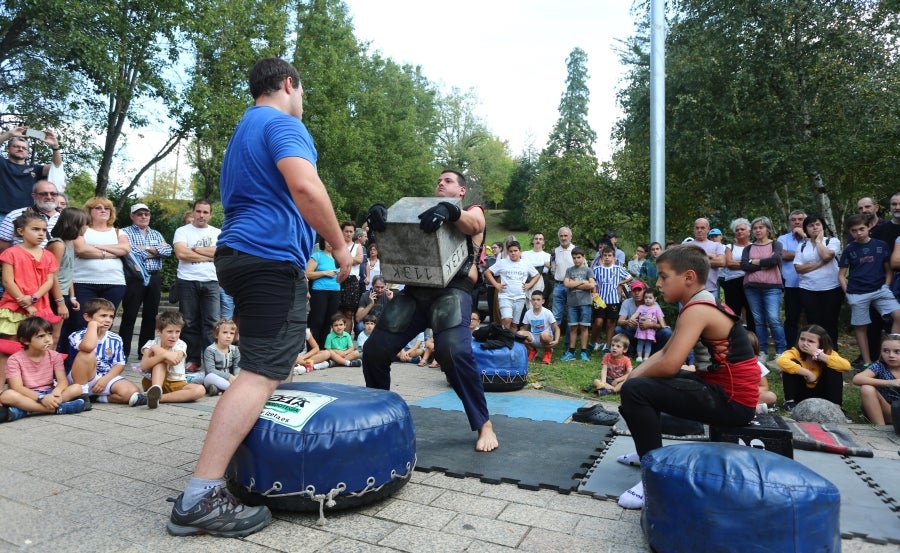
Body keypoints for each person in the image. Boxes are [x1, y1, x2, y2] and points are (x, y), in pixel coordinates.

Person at [167, 58, 351, 538]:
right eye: (303, 92)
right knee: (260, 372)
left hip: (241, 256)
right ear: (290, 84)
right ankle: (200, 496)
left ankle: (264, 463)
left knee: (271, 363)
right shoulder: (281, 123)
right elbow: (306, 186)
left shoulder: (245, 128)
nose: (303, 102)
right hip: (267, 259)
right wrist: (337, 245)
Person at [363, 168, 497, 452]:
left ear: (461, 190)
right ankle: (378, 418)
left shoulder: (472, 210)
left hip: (452, 291)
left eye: (448, 181)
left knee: (453, 352)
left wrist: (450, 211)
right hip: (414, 291)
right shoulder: (420, 210)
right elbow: (395, 234)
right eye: (438, 180)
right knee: (374, 351)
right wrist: (378, 217)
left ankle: (484, 424)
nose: (440, 183)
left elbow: (474, 224)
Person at [617, 245, 759, 510]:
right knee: (635, 386)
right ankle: (645, 451)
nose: (657, 283)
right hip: (717, 388)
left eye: (663, 276)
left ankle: (654, 478)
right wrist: (631, 375)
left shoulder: (698, 308)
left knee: (637, 392)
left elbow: (670, 366)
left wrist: (632, 383)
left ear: (688, 277)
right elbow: (664, 354)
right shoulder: (696, 303)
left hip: (732, 401)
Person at [840, 213, 900, 368]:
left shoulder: (881, 245)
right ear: (850, 232)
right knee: (861, 328)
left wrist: (886, 285)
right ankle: (868, 362)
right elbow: (841, 275)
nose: (858, 233)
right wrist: (848, 293)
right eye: (854, 231)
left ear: (868, 228)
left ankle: (888, 354)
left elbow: (888, 269)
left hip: (880, 289)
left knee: (898, 316)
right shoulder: (849, 249)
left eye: (861, 229)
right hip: (857, 293)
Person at [0, 316, 85, 421]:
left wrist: (57, 392)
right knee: (7, 395)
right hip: (27, 394)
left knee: (77, 388)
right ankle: (57, 409)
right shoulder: (14, 359)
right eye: (41, 336)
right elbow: (17, 387)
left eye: (49, 334)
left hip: (49, 392)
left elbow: (62, 381)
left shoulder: (54, 356)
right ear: (25, 341)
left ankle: (26, 410)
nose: (48, 339)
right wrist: (41, 398)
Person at [67, 298, 146, 408]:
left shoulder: (115, 338)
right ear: (87, 317)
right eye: (103, 316)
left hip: (104, 377)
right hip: (81, 379)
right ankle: (82, 394)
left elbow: (120, 364)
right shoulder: (77, 335)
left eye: (111, 317)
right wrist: (92, 326)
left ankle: (96, 397)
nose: (108, 320)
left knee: (132, 391)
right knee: (87, 353)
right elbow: (88, 347)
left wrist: (105, 380)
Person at [119, 203, 173, 360]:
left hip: (154, 276)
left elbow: (168, 251)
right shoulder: (125, 232)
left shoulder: (156, 233)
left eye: (146, 214)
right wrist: (156, 250)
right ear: (132, 216)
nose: (143, 217)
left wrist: (145, 248)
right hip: (134, 277)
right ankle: (123, 352)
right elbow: (131, 252)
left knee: (151, 315)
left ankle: (144, 351)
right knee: (130, 314)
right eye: (139, 214)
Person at [173, 199, 220, 371]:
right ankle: (192, 359)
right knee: (189, 322)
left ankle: (212, 361)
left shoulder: (218, 232)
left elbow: (219, 253)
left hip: (211, 281)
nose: (201, 215)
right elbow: (180, 253)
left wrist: (192, 250)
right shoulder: (182, 231)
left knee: (212, 322)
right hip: (187, 280)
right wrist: (208, 255)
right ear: (193, 212)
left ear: (210, 214)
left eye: (205, 212)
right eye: (198, 211)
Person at [70, 197, 131, 332]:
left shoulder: (118, 232)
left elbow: (125, 249)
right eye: (98, 208)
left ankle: (102, 352)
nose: (103, 210)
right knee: (81, 322)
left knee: (105, 324)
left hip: (114, 282)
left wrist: (96, 246)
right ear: (89, 211)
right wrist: (112, 252)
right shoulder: (81, 229)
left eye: (107, 208)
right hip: (83, 282)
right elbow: (81, 250)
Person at [0, 212, 63, 341]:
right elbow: (7, 281)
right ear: (21, 231)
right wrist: (25, 303)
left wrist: (34, 298)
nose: (41, 233)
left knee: (36, 347)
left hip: (40, 307)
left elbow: (49, 281)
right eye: (35, 229)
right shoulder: (11, 253)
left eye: (44, 230)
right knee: (10, 346)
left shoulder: (48, 255)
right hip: (15, 306)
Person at [740, 216, 786, 362]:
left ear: (767, 229)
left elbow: (775, 260)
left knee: (774, 319)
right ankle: (762, 352)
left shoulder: (776, 245)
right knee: (758, 321)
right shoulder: (748, 248)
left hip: (772, 287)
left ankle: (781, 352)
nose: (758, 230)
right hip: (751, 288)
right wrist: (764, 264)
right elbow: (744, 266)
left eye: (761, 227)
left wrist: (755, 262)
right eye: (755, 228)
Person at [794, 214, 843, 346]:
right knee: (813, 322)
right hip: (808, 289)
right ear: (806, 229)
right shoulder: (802, 246)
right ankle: (814, 350)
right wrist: (819, 264)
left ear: (823, 227)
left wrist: (818, 242)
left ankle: (832, 352)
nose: (814, 228)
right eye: (811, 225)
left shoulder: (832, 241)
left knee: (830, 321)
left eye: (817, 224)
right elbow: (798, 268)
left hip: (831, 288)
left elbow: (827, 255)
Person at [140, 310, 205, 408]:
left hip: (177, 383)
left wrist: (157, 350)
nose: (174, 336)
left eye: (177, 331)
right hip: (153, 382)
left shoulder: (181, 344)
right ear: (158, 331)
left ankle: (156, 398)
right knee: (160, 362)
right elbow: (144, 366)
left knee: (200, 390)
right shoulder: (151, 344)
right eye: (169, 331)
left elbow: (174, 360)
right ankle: (155, 390)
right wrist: (161, 356)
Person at [776, 324, 850, 408]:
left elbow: (846, 366)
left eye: (810, 341)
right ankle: (790, 402)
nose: (805, 343)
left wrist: (820, 356)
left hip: (823, 394)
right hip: (800, 394)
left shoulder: (828, 353)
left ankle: (836, 406)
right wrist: (807, 373)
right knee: (790, 365)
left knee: (835, 365)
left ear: (821, 343)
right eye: (802, 339)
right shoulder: (795, 352)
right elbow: (781, 361)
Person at [46, 208, 89, 347]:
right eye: (84, 224)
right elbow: (52, 274)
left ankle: (51, 366)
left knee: (56, 336)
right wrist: (60, 302)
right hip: (53, 295)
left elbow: (68, 272)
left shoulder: (70, 243)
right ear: (74, 224)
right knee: (50, 336)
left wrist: (72, 297)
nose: (86, 227)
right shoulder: (58, 244)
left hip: (64, 294)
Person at [0, 130, 63, 219]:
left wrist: (55, 147)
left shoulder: (35, 169)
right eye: (16, 146)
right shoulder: (2, 163)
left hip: (25, 216)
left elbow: (57, 166)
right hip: (2, 214)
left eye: (24, 148)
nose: (20, 149)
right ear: (7, 149)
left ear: (27, 153)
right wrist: (9, 134)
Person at [484, 240, 540, 331]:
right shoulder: (502, 262)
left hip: (520, 297)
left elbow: (537, 275)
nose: (513, 253)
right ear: (508, 252)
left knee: (514, 324)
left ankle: (512, 343)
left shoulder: (526, 263)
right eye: (511, 251)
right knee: (507, 319)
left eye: (515, 251)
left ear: (520, 251)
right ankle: (503, 340)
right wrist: (496, 285)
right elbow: (487, 272)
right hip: (505, 296)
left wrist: (529, 284)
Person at [590, 245, 632, 353]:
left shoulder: (618, 269)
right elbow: (593, 282)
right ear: (602, 257)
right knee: (598, 322)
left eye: (609, 255)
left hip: (613, 300)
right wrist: (594, 293)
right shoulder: (597, 269)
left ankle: (608, 346)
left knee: (610, 323)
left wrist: (620, 283)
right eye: (605, 255)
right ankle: (592, 342)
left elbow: (629, 277)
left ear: (614, 257)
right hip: (600, 300)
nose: (607, 257)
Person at [852, 334, 900, 427]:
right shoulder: (880, 365)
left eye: (897, 351)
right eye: (886, 351)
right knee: (867, 388)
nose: (891, 355)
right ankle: (880, 429)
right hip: (886, 410)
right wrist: (889, 383)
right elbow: (857, 379)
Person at [0, 180, 62, 251]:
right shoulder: (15, 216)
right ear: (34, 196)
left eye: (53, 194)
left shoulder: (66, 218)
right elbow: (2, 248)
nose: (49, 197)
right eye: (44, 194)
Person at [615, 281, 672, 356]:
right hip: (634, 333)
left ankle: (654, 353)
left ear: (644, 291)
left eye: (639, 290)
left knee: (667, 332)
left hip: (651, 335)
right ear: (631, 292)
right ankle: (632, 351)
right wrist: (628, 321)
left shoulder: (654, 304)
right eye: (634, 290)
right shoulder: (627, 302)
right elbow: (619, 321)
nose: (637, 293)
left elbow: (663, 325)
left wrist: (650, 324)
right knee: (618, 329)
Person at [777, 209, 807, 348]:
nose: (797, 222)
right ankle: (791, 348)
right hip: (791, 284)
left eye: (800, 219)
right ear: (789, 223)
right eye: (793, 220)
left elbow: (820, 252)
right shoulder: (783, 239)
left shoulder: (812, 237)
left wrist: (805, 237)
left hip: (811, 285)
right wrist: (806, 254)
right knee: (791, 318)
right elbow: (782, 254)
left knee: (812, 318)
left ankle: (812, 346)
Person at [561, 247, 595, 362]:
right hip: (572, 304)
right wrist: (582, 282)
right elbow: (566, 284)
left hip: (585, 303)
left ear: (583, 257)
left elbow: (591, 285)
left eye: (579, 257)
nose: (576, 260)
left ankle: (584, 352)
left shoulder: (588, 270)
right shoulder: (569, 270)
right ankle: (571, 352)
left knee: (584, 327)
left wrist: (573, 283)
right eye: (574, 258)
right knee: (573, 327)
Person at [306, 238, 341, 347]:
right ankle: (311, 349)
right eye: (327, 241)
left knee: (329, 322)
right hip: (319, 291)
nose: (330, 243)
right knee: (317, 321)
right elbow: (307, 274)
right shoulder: (317, 255)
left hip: (335, 291)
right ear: (323, 242)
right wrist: (325, 273)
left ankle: (322, 349)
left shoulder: (338, 258)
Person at [721, 218, 753, 332]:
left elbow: (757, 265)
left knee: (751, 311)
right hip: (732, 282)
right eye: (737, 230)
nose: (739, 231)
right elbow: (729, 263)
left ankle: (752, 340)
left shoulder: (754, 246)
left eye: (742, 229)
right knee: (733, 312)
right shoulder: (730, 247)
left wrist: (739, 264)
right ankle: (734, 338)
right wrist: (748, 264)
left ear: (749, 231)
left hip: (750, 282)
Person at [517, 290, 560, 365]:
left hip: (545, 338)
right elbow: (525, 329)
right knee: (519, 334)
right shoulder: (528, 313)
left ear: (543, 301)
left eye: (538, 299)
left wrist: (556, 340)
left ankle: (547, 352)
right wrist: (519, 338)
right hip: (534, 338)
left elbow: (557, 328)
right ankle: (532, 350)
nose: (535, 302)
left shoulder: (547, 312)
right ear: (531, 301)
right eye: (533, 299)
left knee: (544, 335)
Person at [202, 319, 240, 396]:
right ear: (216, 335)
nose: (228, 336)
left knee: (246, 376)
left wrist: (236, 376)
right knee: (210, 377)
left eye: (232, 333)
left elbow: (237, 366)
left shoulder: (235, 349)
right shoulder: (210, 350)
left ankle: (218, 389)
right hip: (215, 377)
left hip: (231, 379)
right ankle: (235, 389)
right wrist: (228, 376)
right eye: (225, 332)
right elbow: (210, 370)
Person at [338, 221, 364, 327]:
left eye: (351, 231)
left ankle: (346, 340)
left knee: (349, 313)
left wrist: (343, 259)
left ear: (354, 233)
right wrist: (350, 260)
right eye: (346, 231)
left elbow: (359, 259)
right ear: (342, 232)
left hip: (352, 280)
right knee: (337, 312)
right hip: (338, 279)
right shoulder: (337, 246)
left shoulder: (357, 246)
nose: (348, 234)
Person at [691, 218, 726, 294]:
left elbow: (721, 262)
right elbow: (683, 263)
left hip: (711, 289)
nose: (699, 230)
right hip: (688, 289)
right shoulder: (686, 245)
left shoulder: (717, 245)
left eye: (702, 228)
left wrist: (695, 258)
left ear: (708, 229)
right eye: (697, 228)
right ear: (694, 229)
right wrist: (709, 255)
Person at [551, 226, 576, 331]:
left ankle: (569, 344)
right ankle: (551, 342)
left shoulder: (577, 251)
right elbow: (553, 269)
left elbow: (584, 269)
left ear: (571, 236)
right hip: (559, 286)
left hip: (573, 286)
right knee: (555, 316)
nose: (563, 238)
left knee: (572, 316)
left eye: (566, 235)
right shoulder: (555, 252)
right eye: (561, 236)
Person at [631, 289, 665, 363]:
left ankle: (646, 357)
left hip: (650, 330)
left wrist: (663, 326)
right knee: (640, 342)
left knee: (648, 343)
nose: (647, 300)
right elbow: (636, 314)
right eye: (646, 298)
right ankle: (639, 356)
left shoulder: (656, 308)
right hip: (641, 329)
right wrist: (631, 318)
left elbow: (660, 317)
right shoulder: (641, 307)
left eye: (650, 298)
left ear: (655, 299)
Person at [521, 231, 552, 300]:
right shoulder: (524, 254)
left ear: (543, 242)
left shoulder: (548, 255)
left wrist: (530, 263)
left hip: (543, 281)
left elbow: (549, 268)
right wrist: (543, 263)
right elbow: (524, 265)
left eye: (540, 239)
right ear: (533, 241)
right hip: (526, 280)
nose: (538, 241)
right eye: (536, 239)